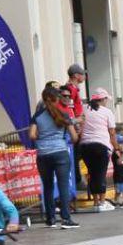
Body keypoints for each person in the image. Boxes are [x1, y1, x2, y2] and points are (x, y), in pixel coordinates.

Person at [29, 84, 79, 229]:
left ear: (44, 100)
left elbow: (32, 135)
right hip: (60, 152)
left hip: (43, 154)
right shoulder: (64, 115)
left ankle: (50, 219)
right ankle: (66, 218)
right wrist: (63, 139)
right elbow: (75, 137)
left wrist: (42, 138)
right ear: (57, 99)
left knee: (48, 186)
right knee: (63, 186)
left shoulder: (37, 116)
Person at [77, 88, 120, 212]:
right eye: (106, 99)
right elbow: (112, 132)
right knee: (101, 174)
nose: (107, 102)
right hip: (101, 145)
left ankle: (95, 202)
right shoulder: (107, 112)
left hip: (85, 146)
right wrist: (116, 146)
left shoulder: (84, 109)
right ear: (102, 99)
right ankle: (101, 202)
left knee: (92, 173)